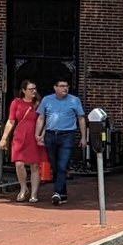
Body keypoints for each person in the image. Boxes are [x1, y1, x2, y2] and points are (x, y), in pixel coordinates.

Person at [34, 77, 87, 205]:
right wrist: (37, 134)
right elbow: (41, 117)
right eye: (62, 86)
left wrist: (83, 137)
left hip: (67, 135)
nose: (65, 88)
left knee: (63, 165)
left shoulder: (74, 100)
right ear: (55, 87)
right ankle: (62, 194)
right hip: (51, 135)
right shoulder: (47, 100)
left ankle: (56, 192)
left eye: (66, 86)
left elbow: (81, 118)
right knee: (55, 165)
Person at [0, 79, 44, 203]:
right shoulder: (16, 102)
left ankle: (34, 193)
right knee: (19, 163)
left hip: (34, 136)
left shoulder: (38, 103)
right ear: (24, 90)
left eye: (35, 89)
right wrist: (4, 138)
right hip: (20, 135)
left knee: (35, 165)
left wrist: (42, 135)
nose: (34, 91)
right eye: (30, 89)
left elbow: (44, 119)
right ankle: (23, 188)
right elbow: (11, 120)